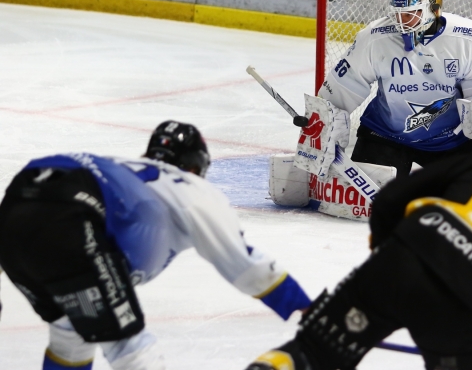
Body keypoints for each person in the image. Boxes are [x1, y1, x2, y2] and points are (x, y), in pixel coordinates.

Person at [250, 106, 472, 370]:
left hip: (399, 262)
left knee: (310, 353)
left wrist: (387, 256)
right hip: (460, 305)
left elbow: (391, 199)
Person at [0, 121, 311, 370]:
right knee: (127, 345)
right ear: (196, 167)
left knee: (72, 332)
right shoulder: (191, 187)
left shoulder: (124, 167)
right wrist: (305, 307)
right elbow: (246, 264)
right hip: (69, 216)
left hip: (14, 211)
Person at [294, 0, 472, 180]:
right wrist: (318, 123)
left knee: (469, 200)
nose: (402, 23)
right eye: (398, 15)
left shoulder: (470, 39)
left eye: (411, 15)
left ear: (433, 8)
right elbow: (343, 87)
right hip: (385, 136)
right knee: (368, 202)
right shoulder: (375, 38)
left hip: (450, 143)